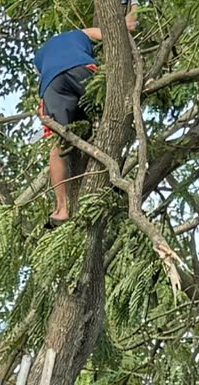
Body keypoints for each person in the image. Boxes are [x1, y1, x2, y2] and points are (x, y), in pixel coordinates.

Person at [34, 3, 139, 227]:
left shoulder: (40, 55)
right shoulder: (80, 33)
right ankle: (110, 176)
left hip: (51, 84)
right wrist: (135, 5)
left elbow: (39, 71)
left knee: (60, 144)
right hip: (81, 68)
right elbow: (127, 26)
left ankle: (61, 209)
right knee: (109, 111)